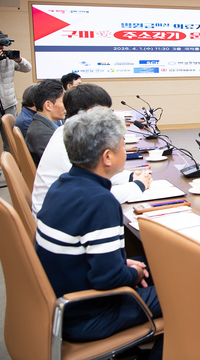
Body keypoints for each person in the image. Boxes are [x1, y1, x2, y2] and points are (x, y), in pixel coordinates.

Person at [35, 107, 162, 352]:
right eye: (123, 146)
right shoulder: (100, 201)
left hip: (63, 300)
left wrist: (121, 265)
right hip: (90, 315)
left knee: (161, 264)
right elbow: (109, 279)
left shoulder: (61, 185)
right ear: (107, 157)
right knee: (188, 293)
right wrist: (132, 273)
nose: (125, 151)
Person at [32, 84, 151, 215]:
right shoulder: (70, 143)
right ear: (91, 113)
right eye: (107, 113)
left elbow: (96, 173)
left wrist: (130, 177)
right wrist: (138, 185)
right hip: (59, 215)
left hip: (61, 211)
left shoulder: (68, 132)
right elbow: (97, 195)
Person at [0, 29, 32, 187]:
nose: (2, 48)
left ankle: (14, 172)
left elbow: (27, 68)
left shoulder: (8, 58)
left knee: (11, 142)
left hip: (9, 105)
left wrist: (19, 59)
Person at [25, 79, 66, 166]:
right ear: (48, 105)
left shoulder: (42, 126)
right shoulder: (42, 133)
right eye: (63, 101)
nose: (66, 105)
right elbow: (62, 163)